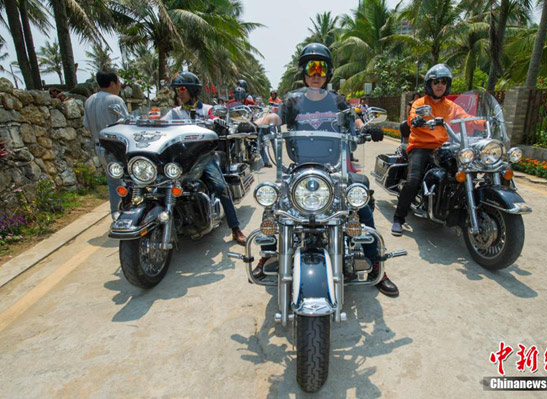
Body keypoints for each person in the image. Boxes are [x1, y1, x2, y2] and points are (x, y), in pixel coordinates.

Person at [252, 43, 399, 297]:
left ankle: (377, 264)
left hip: (335, 168)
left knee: (360, 200)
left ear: (328, 72)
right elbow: (275, 117)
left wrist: (365, 128)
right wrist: (256, 123)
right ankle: (268, 253)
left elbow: (354, 119)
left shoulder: (338, 100)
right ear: (304, 71)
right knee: (275, 202)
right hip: (300, 167)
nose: (316, 73)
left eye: (321, 68)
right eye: (312, 67)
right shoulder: (293, 100)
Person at [391, 64, 484, 236]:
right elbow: (413, 116)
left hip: (445, 147)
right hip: (421, 146)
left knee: (462, 172)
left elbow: (465, 118)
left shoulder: (451, 106)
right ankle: (398, 218)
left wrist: (484, 122)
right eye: (436, 82)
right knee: (413, 180)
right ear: (429, 84)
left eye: (443, 81)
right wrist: (416, 120)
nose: (439, 85)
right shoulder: (420, 103)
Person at [164, 71, 247, 246]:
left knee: (220, 186)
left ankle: (235, 229)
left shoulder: (208, 110)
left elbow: (219, 120)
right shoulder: (174, 113)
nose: (179, 93)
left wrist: (219, 121)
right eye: (177, 90)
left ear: (193, 91)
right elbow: (163, 124)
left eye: (183, 89)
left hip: (204, 156)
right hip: (180, 158)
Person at [83, 70, 128, 215]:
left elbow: (86, 125)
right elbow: (127, 123)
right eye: (118, 83)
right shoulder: (114, 100)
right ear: (112, 83)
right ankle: (124, 212)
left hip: (99, 147)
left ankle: (116, 213)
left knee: (113, 183)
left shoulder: (89, 100)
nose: (119, 86)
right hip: (115, 149)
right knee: (125, 181)